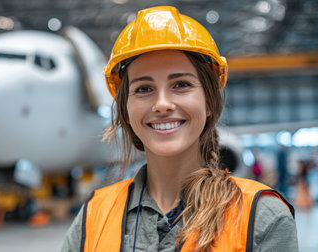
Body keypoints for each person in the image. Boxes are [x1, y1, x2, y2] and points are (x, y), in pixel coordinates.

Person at [62, 6, 298, 251]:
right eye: (143, 89)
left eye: (181, 84)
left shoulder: (260, 216)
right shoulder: (94, 216)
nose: (162, 104)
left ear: (209, 102)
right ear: (127, 110)